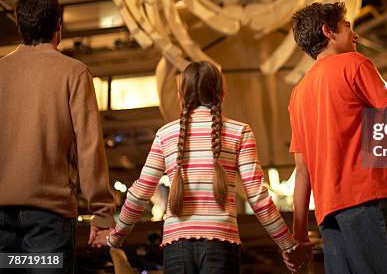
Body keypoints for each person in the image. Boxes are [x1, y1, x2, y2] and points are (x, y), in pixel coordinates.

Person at [93, 61, 312, 273]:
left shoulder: (165, 134)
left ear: (181, 96)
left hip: (176, 247)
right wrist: (287, 245)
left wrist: (116, 236)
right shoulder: (239, 132)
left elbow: (141, 192)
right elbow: (256, 197)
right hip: (222, 244)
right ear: (222, 93)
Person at [289, 2, 387, 273]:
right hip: (369, 201)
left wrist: (298, 236)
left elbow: (302, 170)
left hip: (329, 219)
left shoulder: (298, 94)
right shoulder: (354, 64)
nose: (355, 34)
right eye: (347, 26)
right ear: (328, 31)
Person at [0, 0, 116, 272]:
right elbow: (88, 146)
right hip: (48, 219)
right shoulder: (74, 73)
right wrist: (102, 214)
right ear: (58, 27)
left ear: (20, 27)